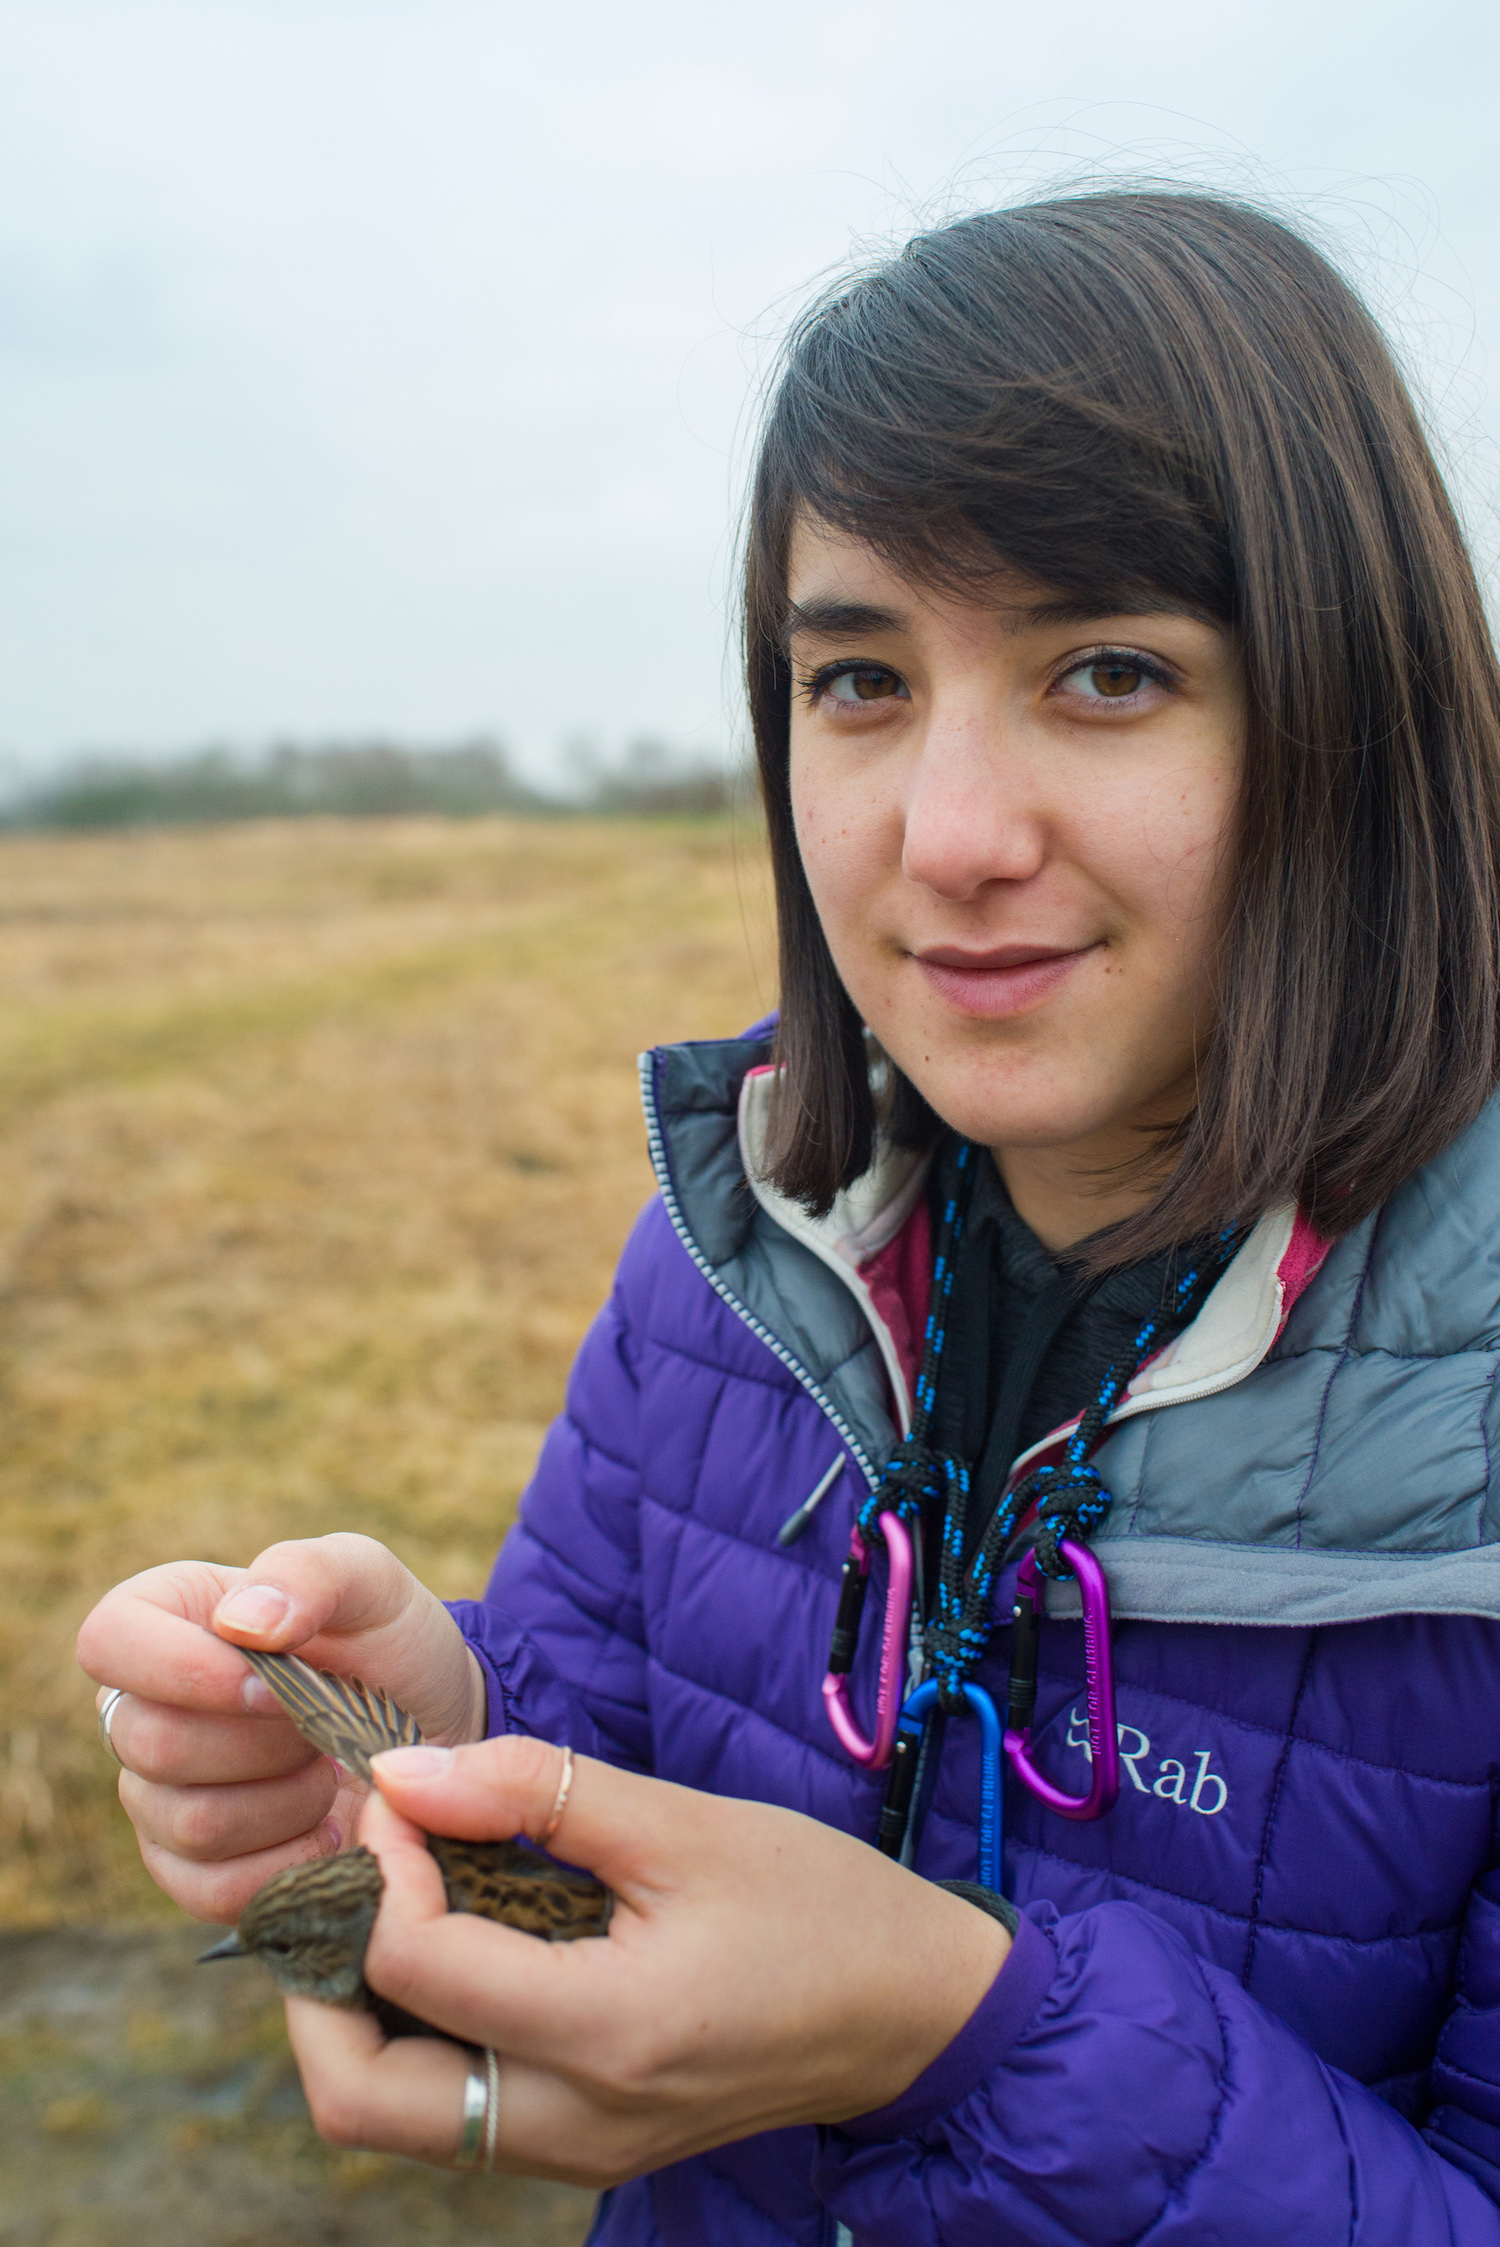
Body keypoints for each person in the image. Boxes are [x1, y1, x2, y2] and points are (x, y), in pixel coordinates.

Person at [77, 189, 1500, 2242]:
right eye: (858, 680)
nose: (949, 834)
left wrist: (958, 2040)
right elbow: (627, 1763)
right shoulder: (753, 1242)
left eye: (1109, 670)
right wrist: (446, 1748)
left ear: (1358, 721)